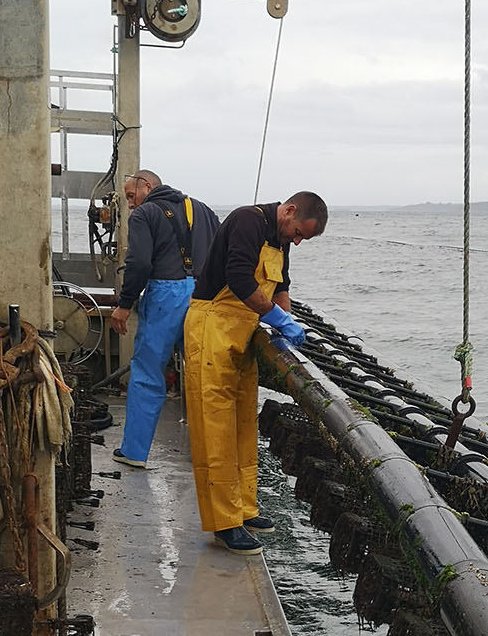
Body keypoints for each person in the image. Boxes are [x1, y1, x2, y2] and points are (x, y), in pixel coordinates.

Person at [184, 192, 327, 554]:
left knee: (243, 424)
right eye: (298, 232)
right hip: (212, 327)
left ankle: (245, 508)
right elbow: (240, 280)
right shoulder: (248, 220)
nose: (296, 240)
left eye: (302, 239)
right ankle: (224, 524)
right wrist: (277, 319)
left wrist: (285, 321)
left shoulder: (281, 238)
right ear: (290, 211)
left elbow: (280, 288)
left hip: (245, 334)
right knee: (214, 426)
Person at [110, 168, 219, 468]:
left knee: (147, 372)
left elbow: (140, 262)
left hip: (165, 296)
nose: (131, 204)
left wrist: (124, 303)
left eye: (131, 196)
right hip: (203, 296)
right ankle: (212, 455)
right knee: (202, 375)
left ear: (147, 186)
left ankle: (134, 452)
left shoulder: (144, 215)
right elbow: (220, 253)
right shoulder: (204, 210)